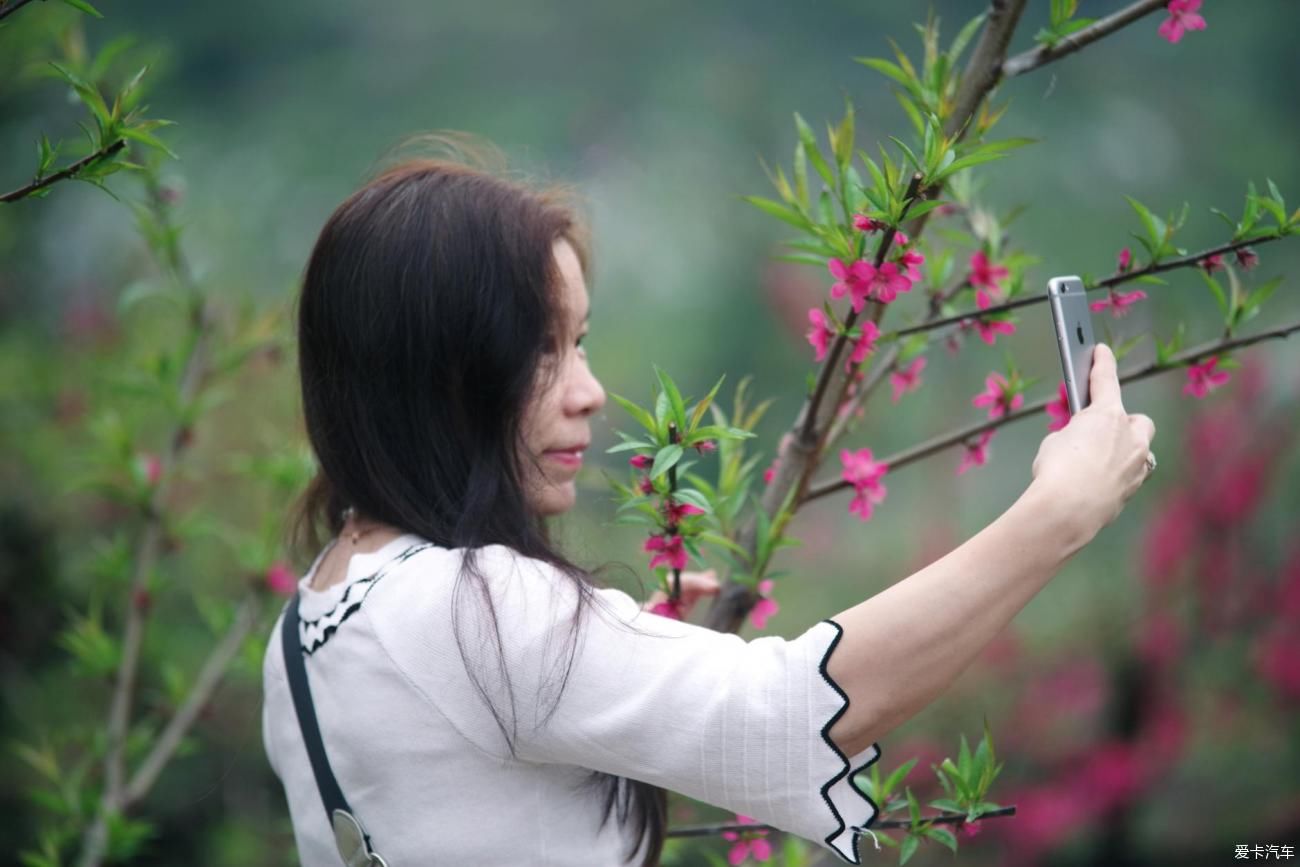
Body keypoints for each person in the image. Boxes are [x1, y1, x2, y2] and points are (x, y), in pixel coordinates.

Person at [260, 134, 1157, 866]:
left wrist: (606, 663)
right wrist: (1058, 514)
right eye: (543, 350)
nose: (589, 391)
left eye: (580, 342)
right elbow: (794, 710)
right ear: (440, 373)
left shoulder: (309, 622)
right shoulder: (479, 609)